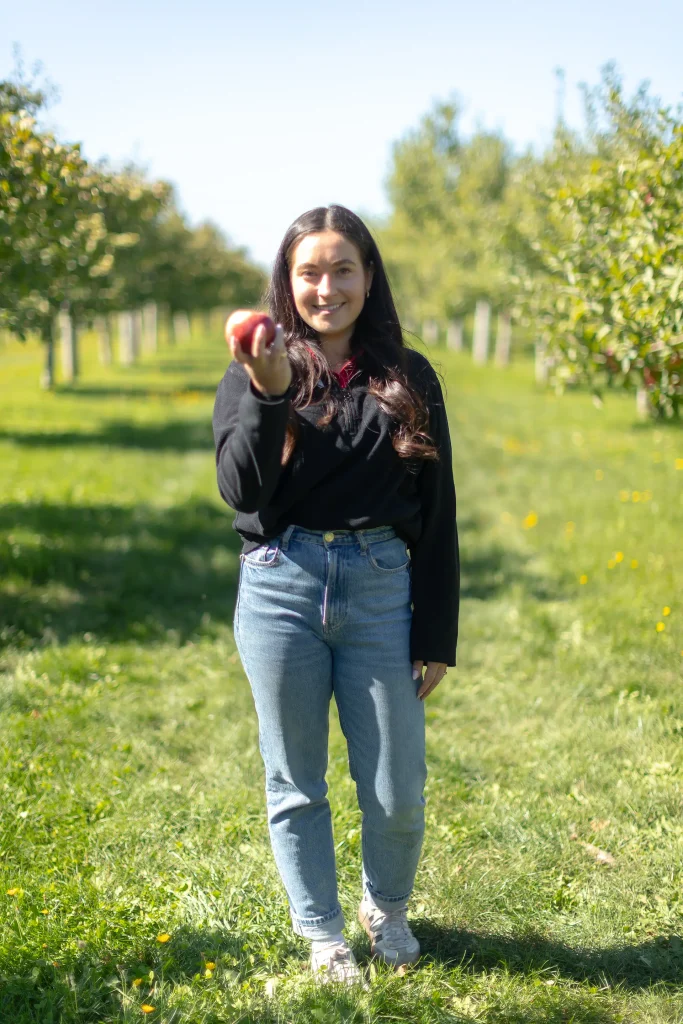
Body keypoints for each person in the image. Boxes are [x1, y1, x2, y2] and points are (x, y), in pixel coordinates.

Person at [212, 204, 459, 986]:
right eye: (309, 272)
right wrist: (268, 393)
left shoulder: (409, 376)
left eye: (342, 268)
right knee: (295, 779)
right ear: (287, 283)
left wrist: (436, 631)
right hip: (280, 585)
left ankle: (386, 908)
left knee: (396, 786)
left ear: (369, 275)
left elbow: (438, 510)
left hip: (381, 586)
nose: (327, 288)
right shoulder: (257, 369)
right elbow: (241, 493)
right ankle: (322, 934)